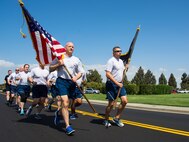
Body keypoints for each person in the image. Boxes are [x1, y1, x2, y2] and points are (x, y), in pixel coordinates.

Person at [49, 42, 84, 135]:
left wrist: (76, 78)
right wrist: (58, 65)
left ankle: (58, 112)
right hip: (62, 81)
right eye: (69, 46)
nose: (71, 48)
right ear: (65, 48)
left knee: (69, 104)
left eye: (73, 47)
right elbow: (50, 68)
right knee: (65, 102)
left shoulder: (76, 59)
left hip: (72, 83)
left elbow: (81, 72)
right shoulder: (60, 57)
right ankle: (68, 126)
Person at [103, 46, 129, 127]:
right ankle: (106, 119)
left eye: (120, 51)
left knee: (124, 101)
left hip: (120, 84)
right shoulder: (111, 61)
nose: (119, 52)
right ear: (113, 53)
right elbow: (107, 74)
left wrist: (126, 68)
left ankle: (116, 118)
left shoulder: (121, 61)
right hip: (111, 84)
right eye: (117, 51)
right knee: (111, 104)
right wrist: (117, 83)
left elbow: (122, 72)